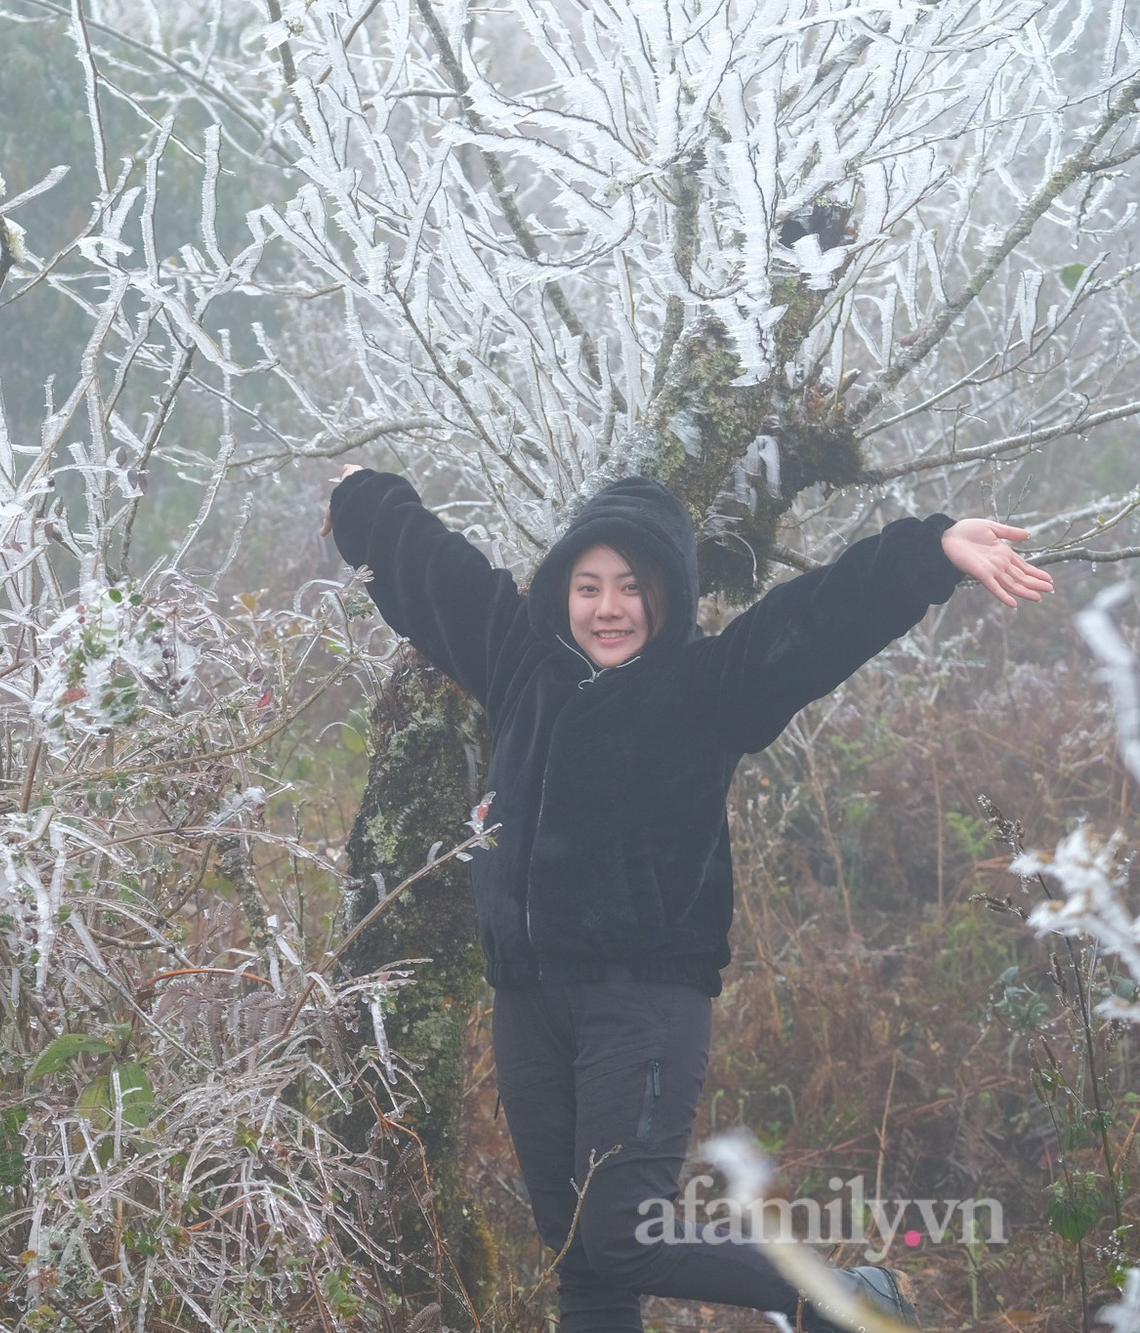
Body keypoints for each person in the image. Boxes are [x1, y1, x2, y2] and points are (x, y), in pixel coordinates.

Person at [324, 466, 1051, 1332]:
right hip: (527, 998)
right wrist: (365, 501)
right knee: (579, 1260)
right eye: (588, 586)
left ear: (665, 596)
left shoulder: (708, 688)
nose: (608, 608)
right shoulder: (518, 663)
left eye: (632, 588)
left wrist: (928, 552)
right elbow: (433, 575)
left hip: (643, 998)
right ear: (562, 592)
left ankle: (844, 1298)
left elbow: (813, 621)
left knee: (624, 1235)